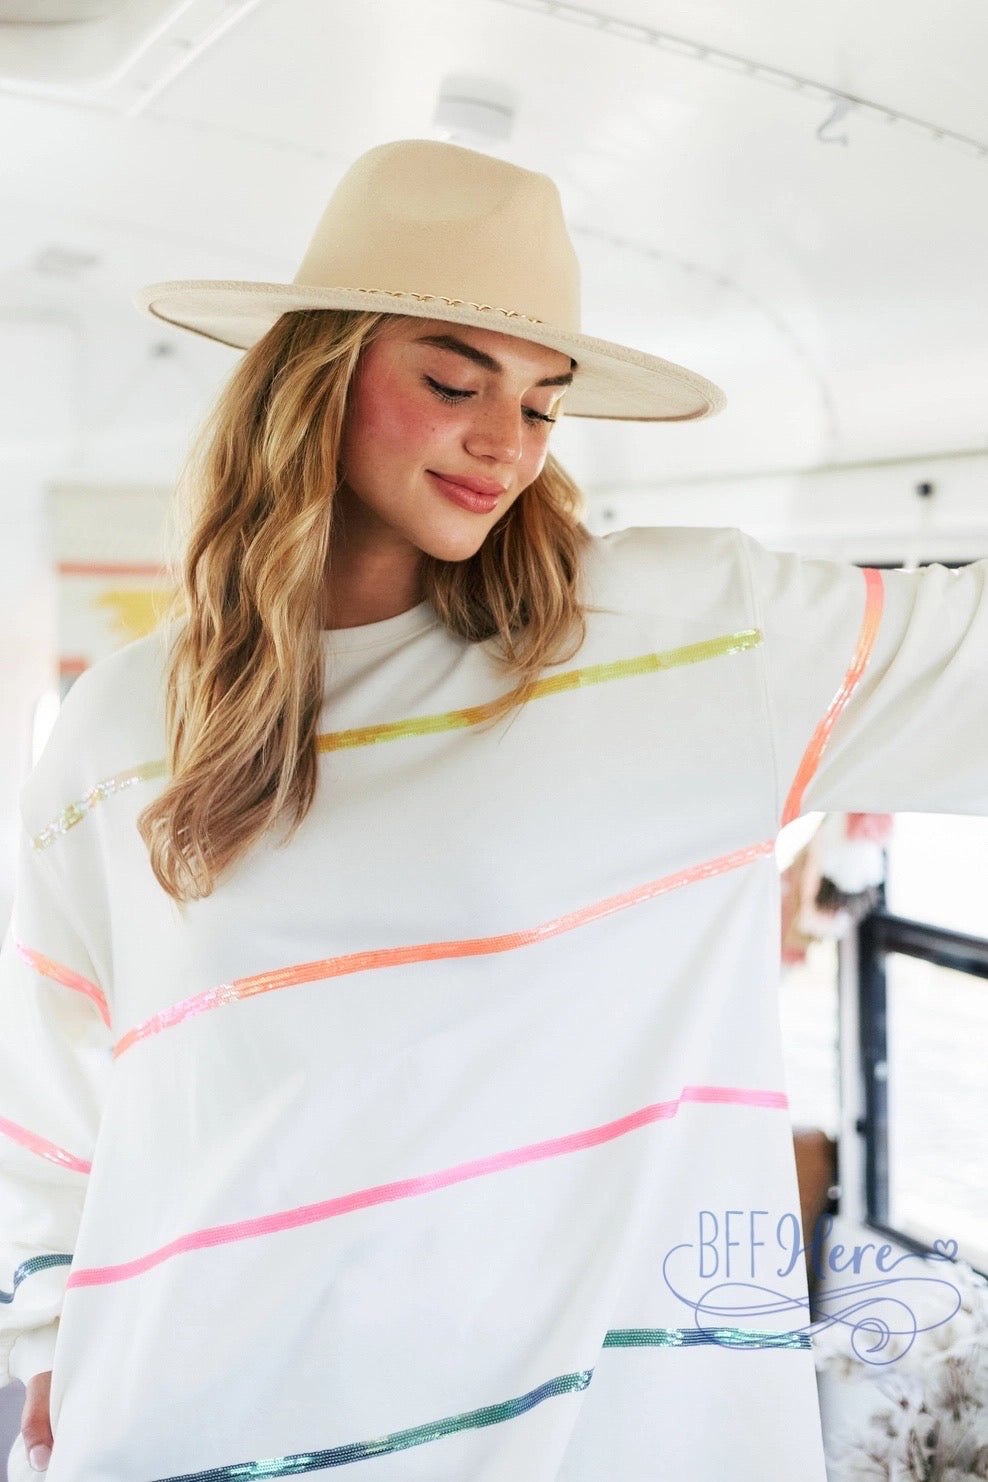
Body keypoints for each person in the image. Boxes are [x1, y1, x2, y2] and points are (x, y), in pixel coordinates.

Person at [1, 138, 985, 1482]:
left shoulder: (683, 639)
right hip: (184, 1426)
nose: (504, 442)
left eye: (541, 401)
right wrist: (51, 1320)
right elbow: (49, 1077)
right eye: (454, 381)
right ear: (316, 380)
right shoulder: (118, 727)